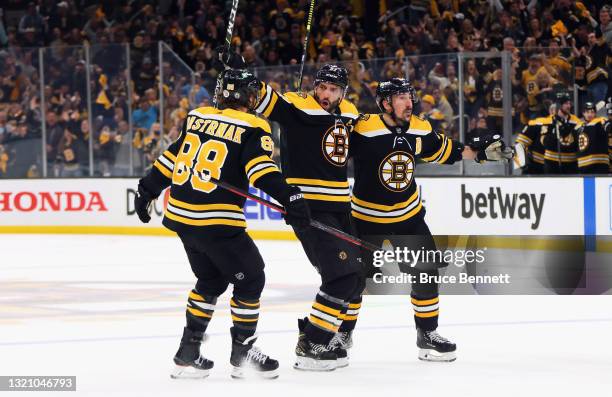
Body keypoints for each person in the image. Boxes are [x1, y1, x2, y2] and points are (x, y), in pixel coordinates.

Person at [134, 69, 311, 379]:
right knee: (251, 278)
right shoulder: (254, 126)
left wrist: (147, 189)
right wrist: (290, 196)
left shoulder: (197, 116)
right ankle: (243, 353)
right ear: (246, 97)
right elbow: (261, 172)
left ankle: (188, 352)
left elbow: (169, 159)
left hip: (181, 218)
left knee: (211, 282)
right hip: (214, 219)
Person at [347, 78, 512, 362]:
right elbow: (331, 152)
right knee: (351, 280)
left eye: (409, 96)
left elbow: (448, 151)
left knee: (425, 274)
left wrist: (479, 152)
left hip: (408, 217)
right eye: (400, 98)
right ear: (385, 103)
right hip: (365, 219)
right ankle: (341, 333)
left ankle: (427, 334)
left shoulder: (420, 128)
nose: (409, 102)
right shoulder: (362, 127)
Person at [253, 62, 364, 371]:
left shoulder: (350, 113)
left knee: (355, 278)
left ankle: (324, 337)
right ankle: (312, 344)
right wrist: (244, 75)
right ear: (315, 86)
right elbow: (262, 98)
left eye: (333, 89)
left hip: (342, 208)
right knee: (340, 277)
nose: (326, 94)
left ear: (343, 92)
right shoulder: (295, 106)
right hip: (310, 209)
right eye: (322, 87)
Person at [542, 92, 582, 174]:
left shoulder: (576, 121)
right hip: (552, 162)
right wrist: (556, 132)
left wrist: (567, 129)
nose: (569, 106)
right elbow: (545, 142)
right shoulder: (548, 121)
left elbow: (578, 143)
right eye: (566, 103)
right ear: (559, 105)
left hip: (571, 163)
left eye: (569, 103)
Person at [577, 102, 609, 173]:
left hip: (599, 164)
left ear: (595, 113)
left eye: (592, 112)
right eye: (587, 112)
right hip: (583, 165)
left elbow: (608, 127)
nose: (590, 114)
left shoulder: (600, 120)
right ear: (583, 113)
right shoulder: (578, 126)